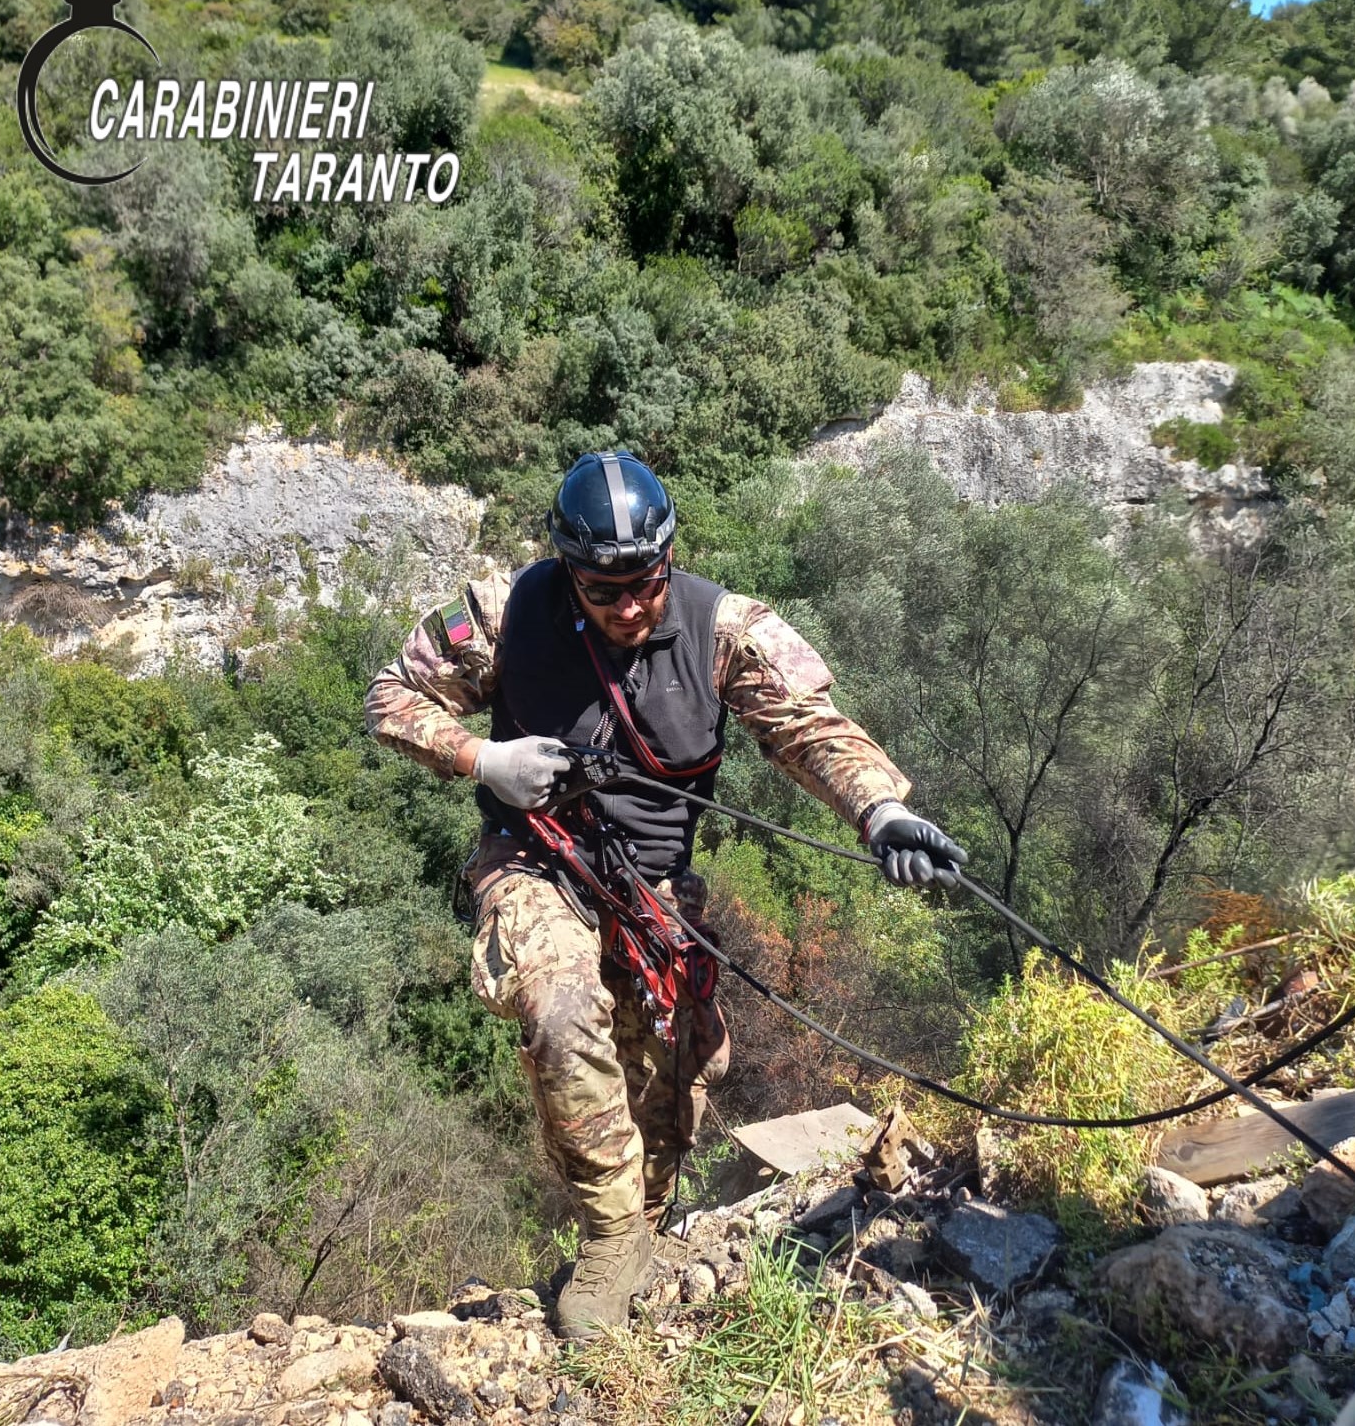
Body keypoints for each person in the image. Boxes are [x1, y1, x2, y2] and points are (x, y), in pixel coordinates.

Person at [364, 450, 965, 1342]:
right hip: (535, 860)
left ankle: (641, 1223)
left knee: (678, 1077)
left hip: (649, 887)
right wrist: (483, 759)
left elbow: (806, 724)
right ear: (570, 571)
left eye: (644, 583)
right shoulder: (504, 612)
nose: (628, 606)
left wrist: (879, 810)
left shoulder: (725, 626)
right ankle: (610, 1243)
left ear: (669, 559)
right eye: (603, 591)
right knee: (562, 1010)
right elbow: (392, 696)